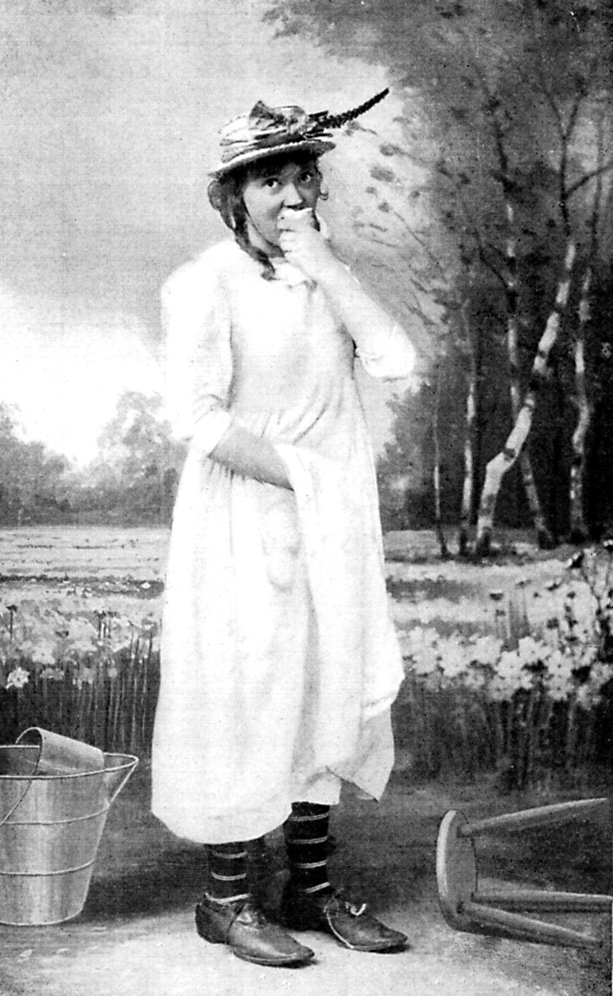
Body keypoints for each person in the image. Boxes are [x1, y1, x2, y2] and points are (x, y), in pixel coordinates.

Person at [151, 90, 416, 968]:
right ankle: (225, 902)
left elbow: (397, 360)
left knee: (323, 685)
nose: (295, 194)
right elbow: (198, 420)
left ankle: (309, 890)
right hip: (241, 519)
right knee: (246, 695)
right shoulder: (203, 283)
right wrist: (308, 481)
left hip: (329, 527)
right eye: (272, 181)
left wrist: (328, 266)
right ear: (234, 196)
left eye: (305, 175)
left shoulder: (326, 278)